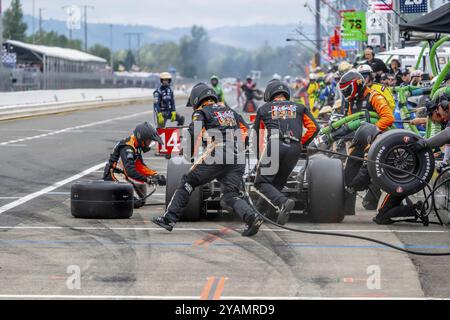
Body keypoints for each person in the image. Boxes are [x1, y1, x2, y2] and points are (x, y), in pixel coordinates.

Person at [152, 83, 264, 236]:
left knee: (188, 181)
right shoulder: (230, 112)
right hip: (238, 157)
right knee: (230, 194)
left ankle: (169, 218)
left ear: (198, 100)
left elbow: (194, 132)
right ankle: (252, 217)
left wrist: (189, 155)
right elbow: (245, 130)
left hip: (218, 152)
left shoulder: (201, 112)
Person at [253, 79, 319, 224]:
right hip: (294, 147)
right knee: (277, 184)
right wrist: (302, 144)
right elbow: (315, 128)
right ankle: (262, 213)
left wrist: (260, 158)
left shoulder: (264, 109)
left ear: (269, 94)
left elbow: (257, 135)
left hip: (275, 144)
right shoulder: (300, 107)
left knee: (261, 182)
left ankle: (283, 202)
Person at [338, 70, 394, 210]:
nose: (346, 94)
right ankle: (346, 207)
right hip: (361, 142)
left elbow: (388, 118)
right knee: (349, 173)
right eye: (343, 91)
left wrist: (371, 130)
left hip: (379, 141)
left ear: (357, 84)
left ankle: (375, 197)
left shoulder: (375, 97)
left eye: (347, 90)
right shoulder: (353, 102)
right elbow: (352, 123)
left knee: (371, 173)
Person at [103, 122, 166, 208]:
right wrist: (148, 180)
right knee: (135, 203)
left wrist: (155, 175)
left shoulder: (136, 146)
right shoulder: (127, 147)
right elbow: (130, 171)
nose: (149, 143)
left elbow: (140, 166)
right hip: (112, 175)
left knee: (141, 200)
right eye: (149, 140)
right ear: (142, 138)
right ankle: (109, 197)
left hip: (122, 175)